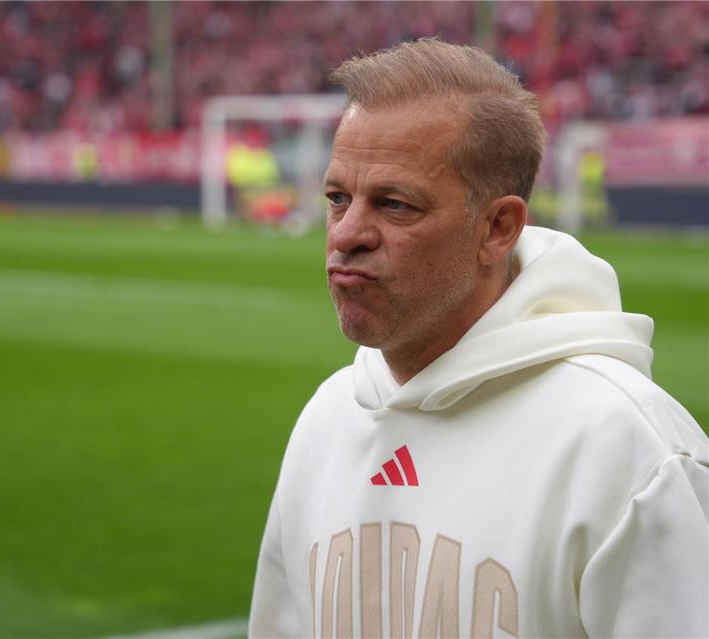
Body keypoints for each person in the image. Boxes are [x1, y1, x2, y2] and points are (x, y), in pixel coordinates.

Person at [249, 38, 708, 639]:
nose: (347, 234)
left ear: (498, 228)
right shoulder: (327, 419)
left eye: (394, 204)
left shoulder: (628, 449)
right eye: (338, 198)